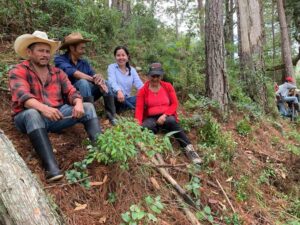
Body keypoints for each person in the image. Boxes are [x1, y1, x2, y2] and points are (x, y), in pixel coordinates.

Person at [9, 31, 102, 182]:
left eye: (47, 51)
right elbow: (23, 97)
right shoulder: (18, 70)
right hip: (28, 117)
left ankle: (101, 152)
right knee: (32, 113)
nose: (45, 54)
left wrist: (78, 103)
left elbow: (72, 92)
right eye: (40, 50)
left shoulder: (57, 72)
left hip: (56, 115)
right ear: (29, 52)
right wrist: (44, 109)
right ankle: (51, 168)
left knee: (88, 107)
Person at [135, 63, 202, 164]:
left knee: (171, 121)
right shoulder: (143, 90)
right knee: (145, 127)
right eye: (153, 76)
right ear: (149, 76)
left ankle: (190, 150)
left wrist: (165, 115)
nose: (155, 78)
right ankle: (151, 148)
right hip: (151, 117)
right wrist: (136, 124)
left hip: (166, 115)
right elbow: (139, 109)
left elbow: (174, 104)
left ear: (161, 76)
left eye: (157, 76)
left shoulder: (167, 86)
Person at [54, 32, 117, 125]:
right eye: (81, 48)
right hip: (69, 97)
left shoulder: (84, 63)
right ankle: (90, 116)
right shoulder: (60, 60)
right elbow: (74, 73)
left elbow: (93, 74)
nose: (84, 51)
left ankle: (111, 116)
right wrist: (93, 79)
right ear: (71, 48)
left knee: (105, 83)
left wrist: (98, 78)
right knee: (83, 82)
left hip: (85, 95)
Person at [107, 46, 143, 112]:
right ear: (115, 57)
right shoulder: (112, 67)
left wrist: (147, 93)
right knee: (107, 85)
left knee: (142, 98)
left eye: (123, 55)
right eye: (118, 55)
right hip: (115, 98)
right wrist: (119, 91)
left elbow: (139, 85)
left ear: (127, 57)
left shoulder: (132, 70)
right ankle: (132, 108)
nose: (121, 58)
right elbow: (112, 82)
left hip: (126, 99)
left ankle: (128, 107)